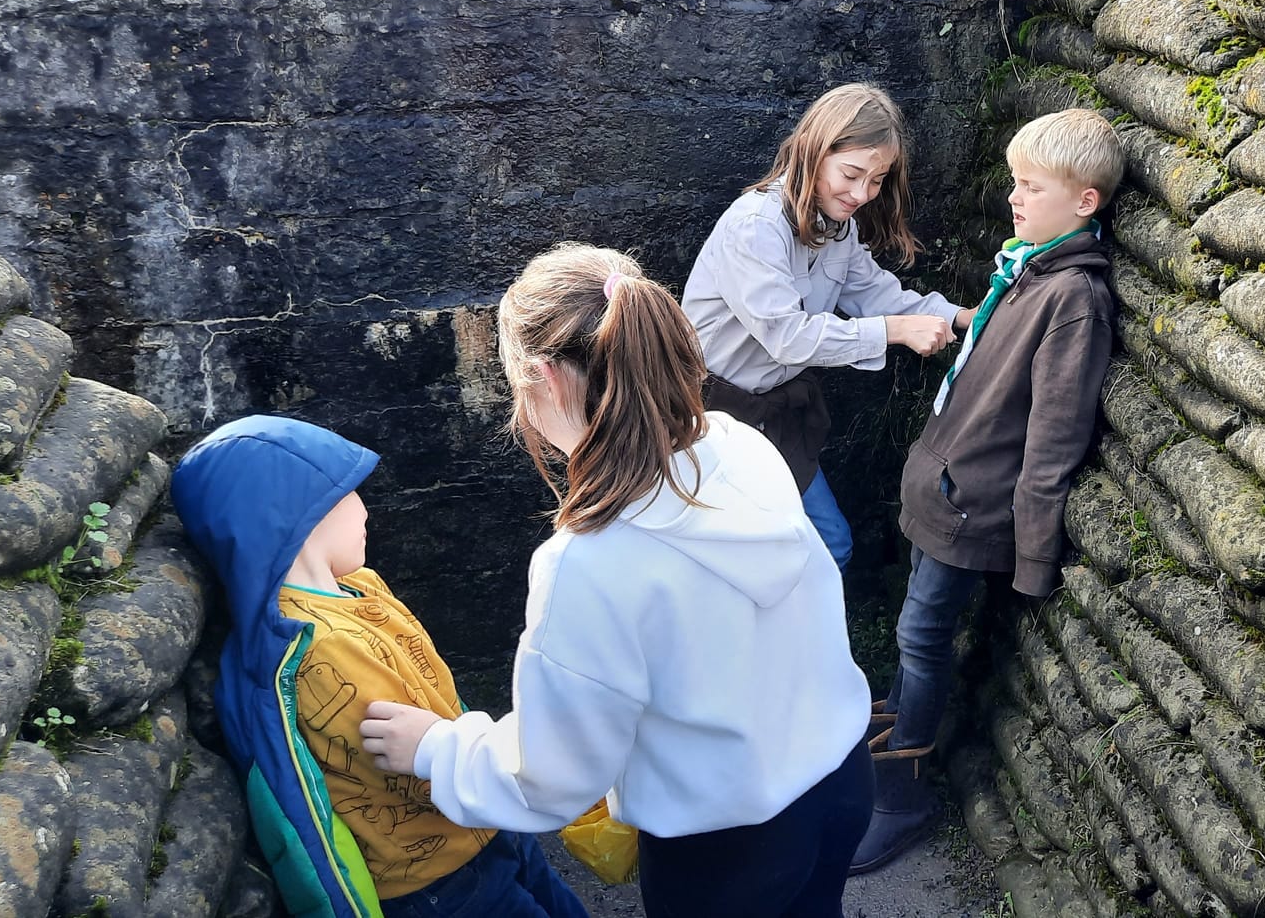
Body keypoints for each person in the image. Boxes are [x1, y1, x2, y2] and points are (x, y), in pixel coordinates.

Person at [358, 244, 875, 918]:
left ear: (544, 377)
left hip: (726, 845)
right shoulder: (740, 445)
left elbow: (554, 773)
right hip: (839, 779)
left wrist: (436, 747)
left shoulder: (589, 561)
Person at [172, 415, 589, 918]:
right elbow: (406, 764)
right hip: (440, 880)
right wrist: (525, 774)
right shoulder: (323, 649)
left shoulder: (356, 588)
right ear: (300, 516)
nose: (366, 506)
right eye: (349, 492)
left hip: (480, 821)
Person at [854, 108, 1123, 874]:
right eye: (1013, 182)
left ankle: (901, 798)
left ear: (1085, 202)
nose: (1014, 197)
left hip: (973, 505)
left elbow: (1055, 434)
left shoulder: (1072, 296)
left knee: (922, 634)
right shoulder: (1027, 265)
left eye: (1031, 186)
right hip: (944, 487)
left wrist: (1033, 555)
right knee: (915, 630)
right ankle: (884, 741)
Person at [681, 82, 971, 569]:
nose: (862, 194)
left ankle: (794, 642)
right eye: (852, 174)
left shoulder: (837, 226)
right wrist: (895, 331)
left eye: (877, 180)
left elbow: (876, 294)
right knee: (740, 561)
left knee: (829, 545)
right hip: (708, 418)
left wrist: (960, 318)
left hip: (772, 418)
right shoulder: (756, 225)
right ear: (814, 152)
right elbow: (787, 337)